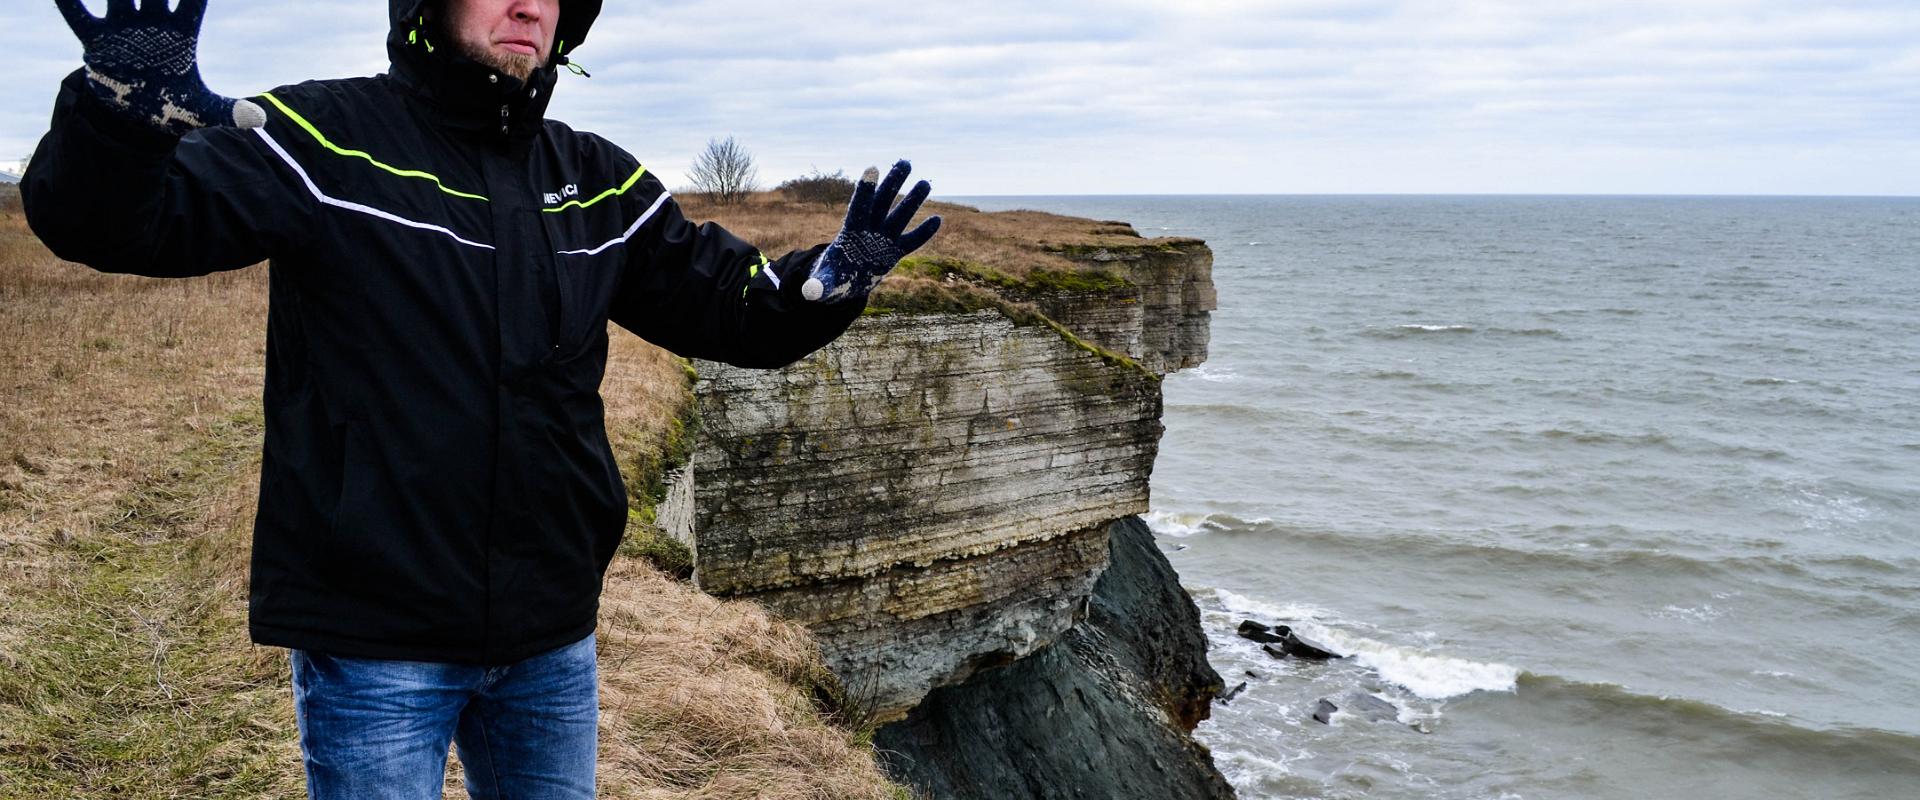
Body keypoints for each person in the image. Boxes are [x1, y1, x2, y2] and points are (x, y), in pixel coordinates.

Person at [23, 0, 941, 797]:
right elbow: (121, 223)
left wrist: (822, 285)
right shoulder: (323, 141)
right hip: (378, 642)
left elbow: (724, 302)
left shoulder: (599, 179)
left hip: (549, 640)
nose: (530, 9)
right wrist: (115, 122)